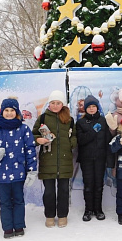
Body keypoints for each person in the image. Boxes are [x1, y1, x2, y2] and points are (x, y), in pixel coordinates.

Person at [0, 98, 37, 238]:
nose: (9, 113)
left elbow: (30, 149)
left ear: (16, 112)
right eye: (6, 110)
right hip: (1, 174)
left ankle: (19, 226)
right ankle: (7, 228)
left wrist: (32, 170)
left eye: (12, 110)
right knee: (5, 202)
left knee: (19, 200)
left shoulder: (24, 129)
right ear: (2, 111)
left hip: (19, 172)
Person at [32, 90, 77, 228]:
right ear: (49, 104)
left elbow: (74, 135)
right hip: (47, 160)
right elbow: (32, 136)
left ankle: (63, 215)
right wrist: (38, 139)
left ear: (62, 104)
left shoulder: (69, 119)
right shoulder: (43, 118)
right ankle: (50, 216)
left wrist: (71, 143)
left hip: (64, 161)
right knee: (49, 192)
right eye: (53, 103)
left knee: (64, 190)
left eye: (58, 103)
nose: (55, 105)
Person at [75, 95, 113, 221]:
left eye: (94, 106)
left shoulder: (103, 121)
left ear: (97, 108)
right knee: (88, 185)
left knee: (98, 185)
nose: (91, 109)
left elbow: (108, 140)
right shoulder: (80, 122)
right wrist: (93, 131)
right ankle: (88, 209)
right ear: (85, 109)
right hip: (86, 159)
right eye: (89, 107)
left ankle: (98, 209)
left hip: (100, 158)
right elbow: (80, 140)